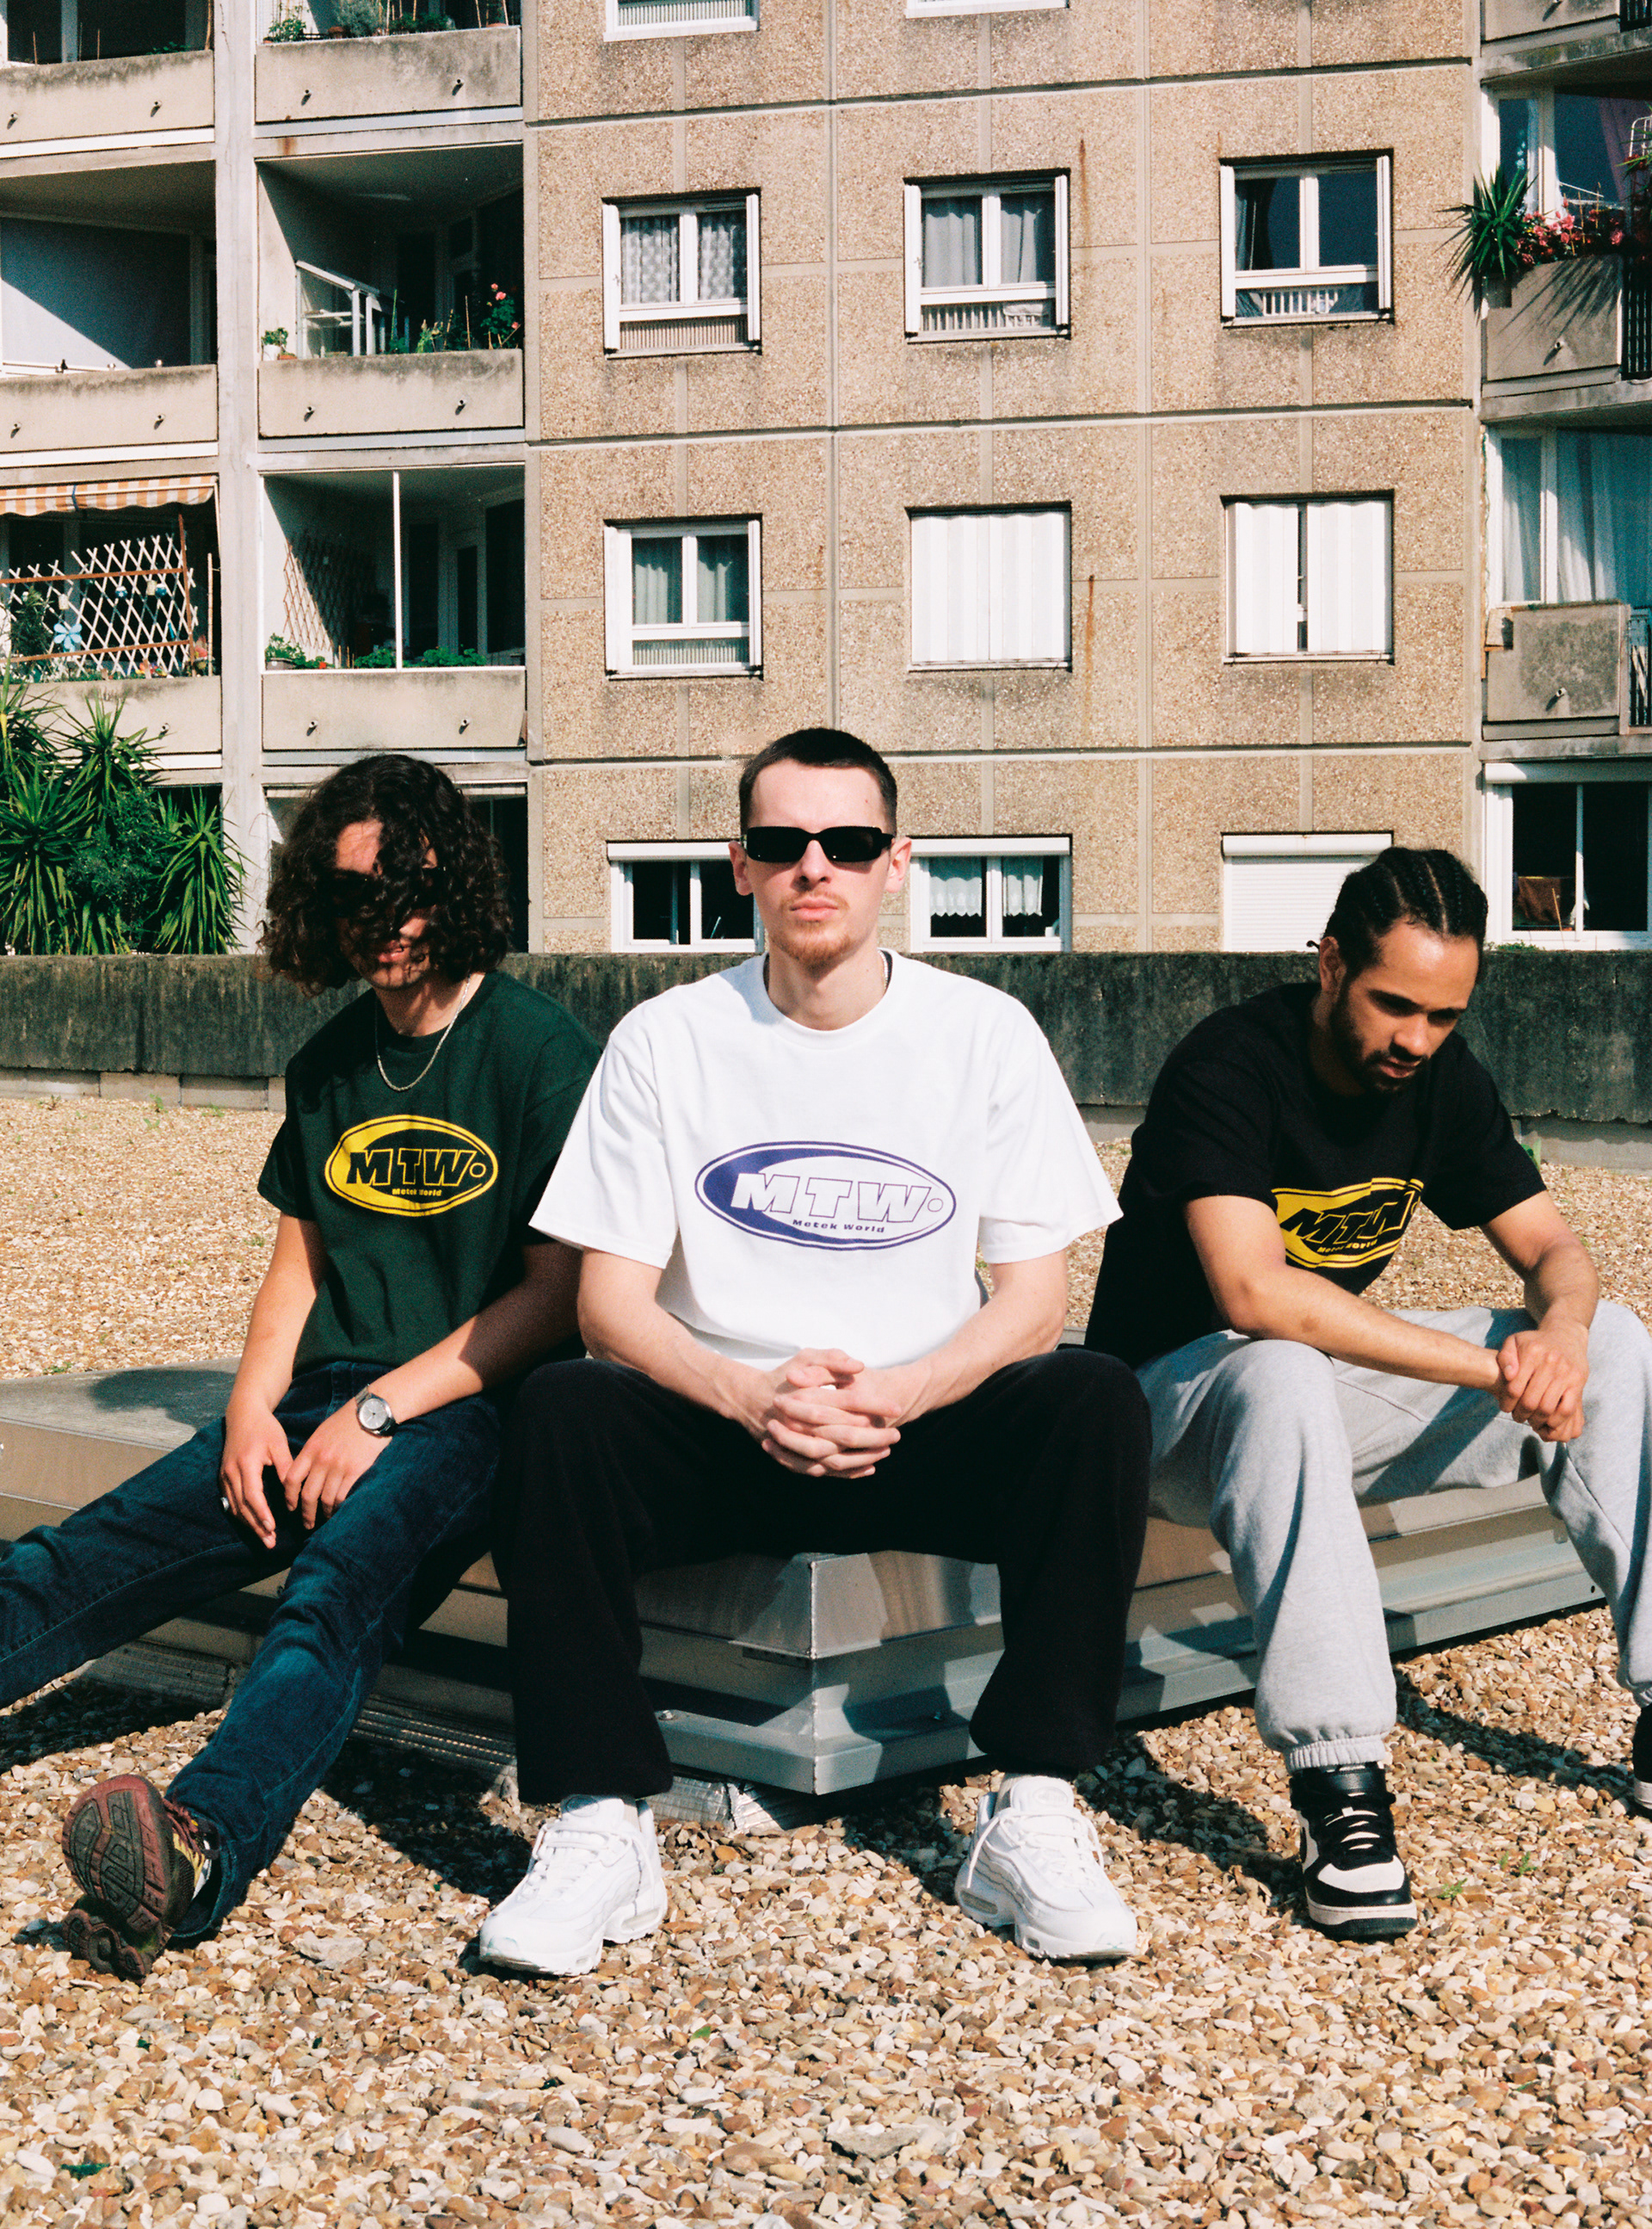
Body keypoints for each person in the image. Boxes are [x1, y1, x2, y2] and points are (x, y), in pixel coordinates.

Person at [477, 726, 1152, 1977]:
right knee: (564, 1408)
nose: (814, 866)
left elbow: (1033, 1301)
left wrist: (900, 1390)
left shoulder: (985, 1033)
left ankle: (1034, 1806)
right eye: (783, 842)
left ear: (896, 861)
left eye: (846, 841)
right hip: (725, 1428)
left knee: (1093, 1398)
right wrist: (750, 1396)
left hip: (917, 1425)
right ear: (740, 864)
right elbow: (608, 1304)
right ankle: (601, 1818)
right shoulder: (665, 1039)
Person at [0, 754, 596, 1981]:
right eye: (350, 897)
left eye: (403, 890)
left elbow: (555, 1298)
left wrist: (380, 1411)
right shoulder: (330, 1062)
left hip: (471, 1408)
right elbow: (297, 1269)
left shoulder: (540, 1051)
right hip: (325, 1396)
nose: (382, 922)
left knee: (330, 1591)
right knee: (89, 1548)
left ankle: (195, 1846)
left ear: (453, 883)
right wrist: (248, 1410)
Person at [1085, 846, 1652, 1941]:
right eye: (1395, 1005)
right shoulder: (1229, 1063)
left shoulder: (1440, 1077)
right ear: (1332, 963)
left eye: (1443, 1015)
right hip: (1161, 1413)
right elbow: (1255, 1295)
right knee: (1283, 1365)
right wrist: (1499, 1370)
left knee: (1620, 1343)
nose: (1417, 1040)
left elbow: (1555, 1250)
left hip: (1303, 1408)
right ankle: (1339, 1783)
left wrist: (1563, 1337)